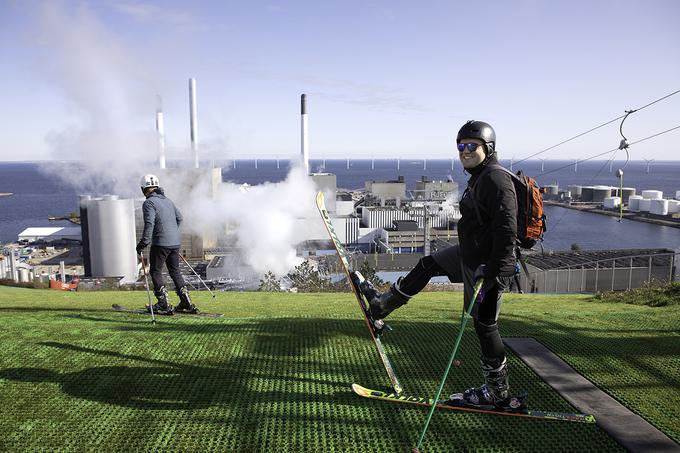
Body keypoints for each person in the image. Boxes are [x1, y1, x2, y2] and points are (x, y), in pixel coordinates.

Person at [359, 120, 518, 408]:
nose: (465, 151)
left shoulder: (496, 178)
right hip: (469, 254)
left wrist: (494, 269)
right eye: (461, 146)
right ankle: (383, 305)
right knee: (428, 263)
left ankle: (498, 393)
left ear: (489, 148)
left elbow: (508, 229)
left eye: (472, 146)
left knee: (485, 325)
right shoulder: (480, 177)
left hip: (487, 266)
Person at [136, 174, 198, 314]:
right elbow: (179, 218)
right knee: (175, 271)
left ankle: (163, 304)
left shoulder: (149, 203)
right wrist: (172, 232)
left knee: (156, 271)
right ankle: (186, 302)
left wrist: (143, 243)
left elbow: (149, 224)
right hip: (175, 242)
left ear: (143, 189)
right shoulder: (168, 201)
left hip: (160, 243)